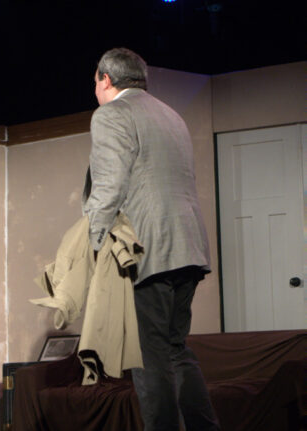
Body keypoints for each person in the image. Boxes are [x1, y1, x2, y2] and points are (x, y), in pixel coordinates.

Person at [83, 48, 220, 431]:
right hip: (188, 246)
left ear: (106, 79)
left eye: (95, 82)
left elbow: (109, 186)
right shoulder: (170, 114)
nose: (95, 89)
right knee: (176, 350)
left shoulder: (111, 114)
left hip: (148, 249)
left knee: (147, 355)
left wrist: (93, 247)